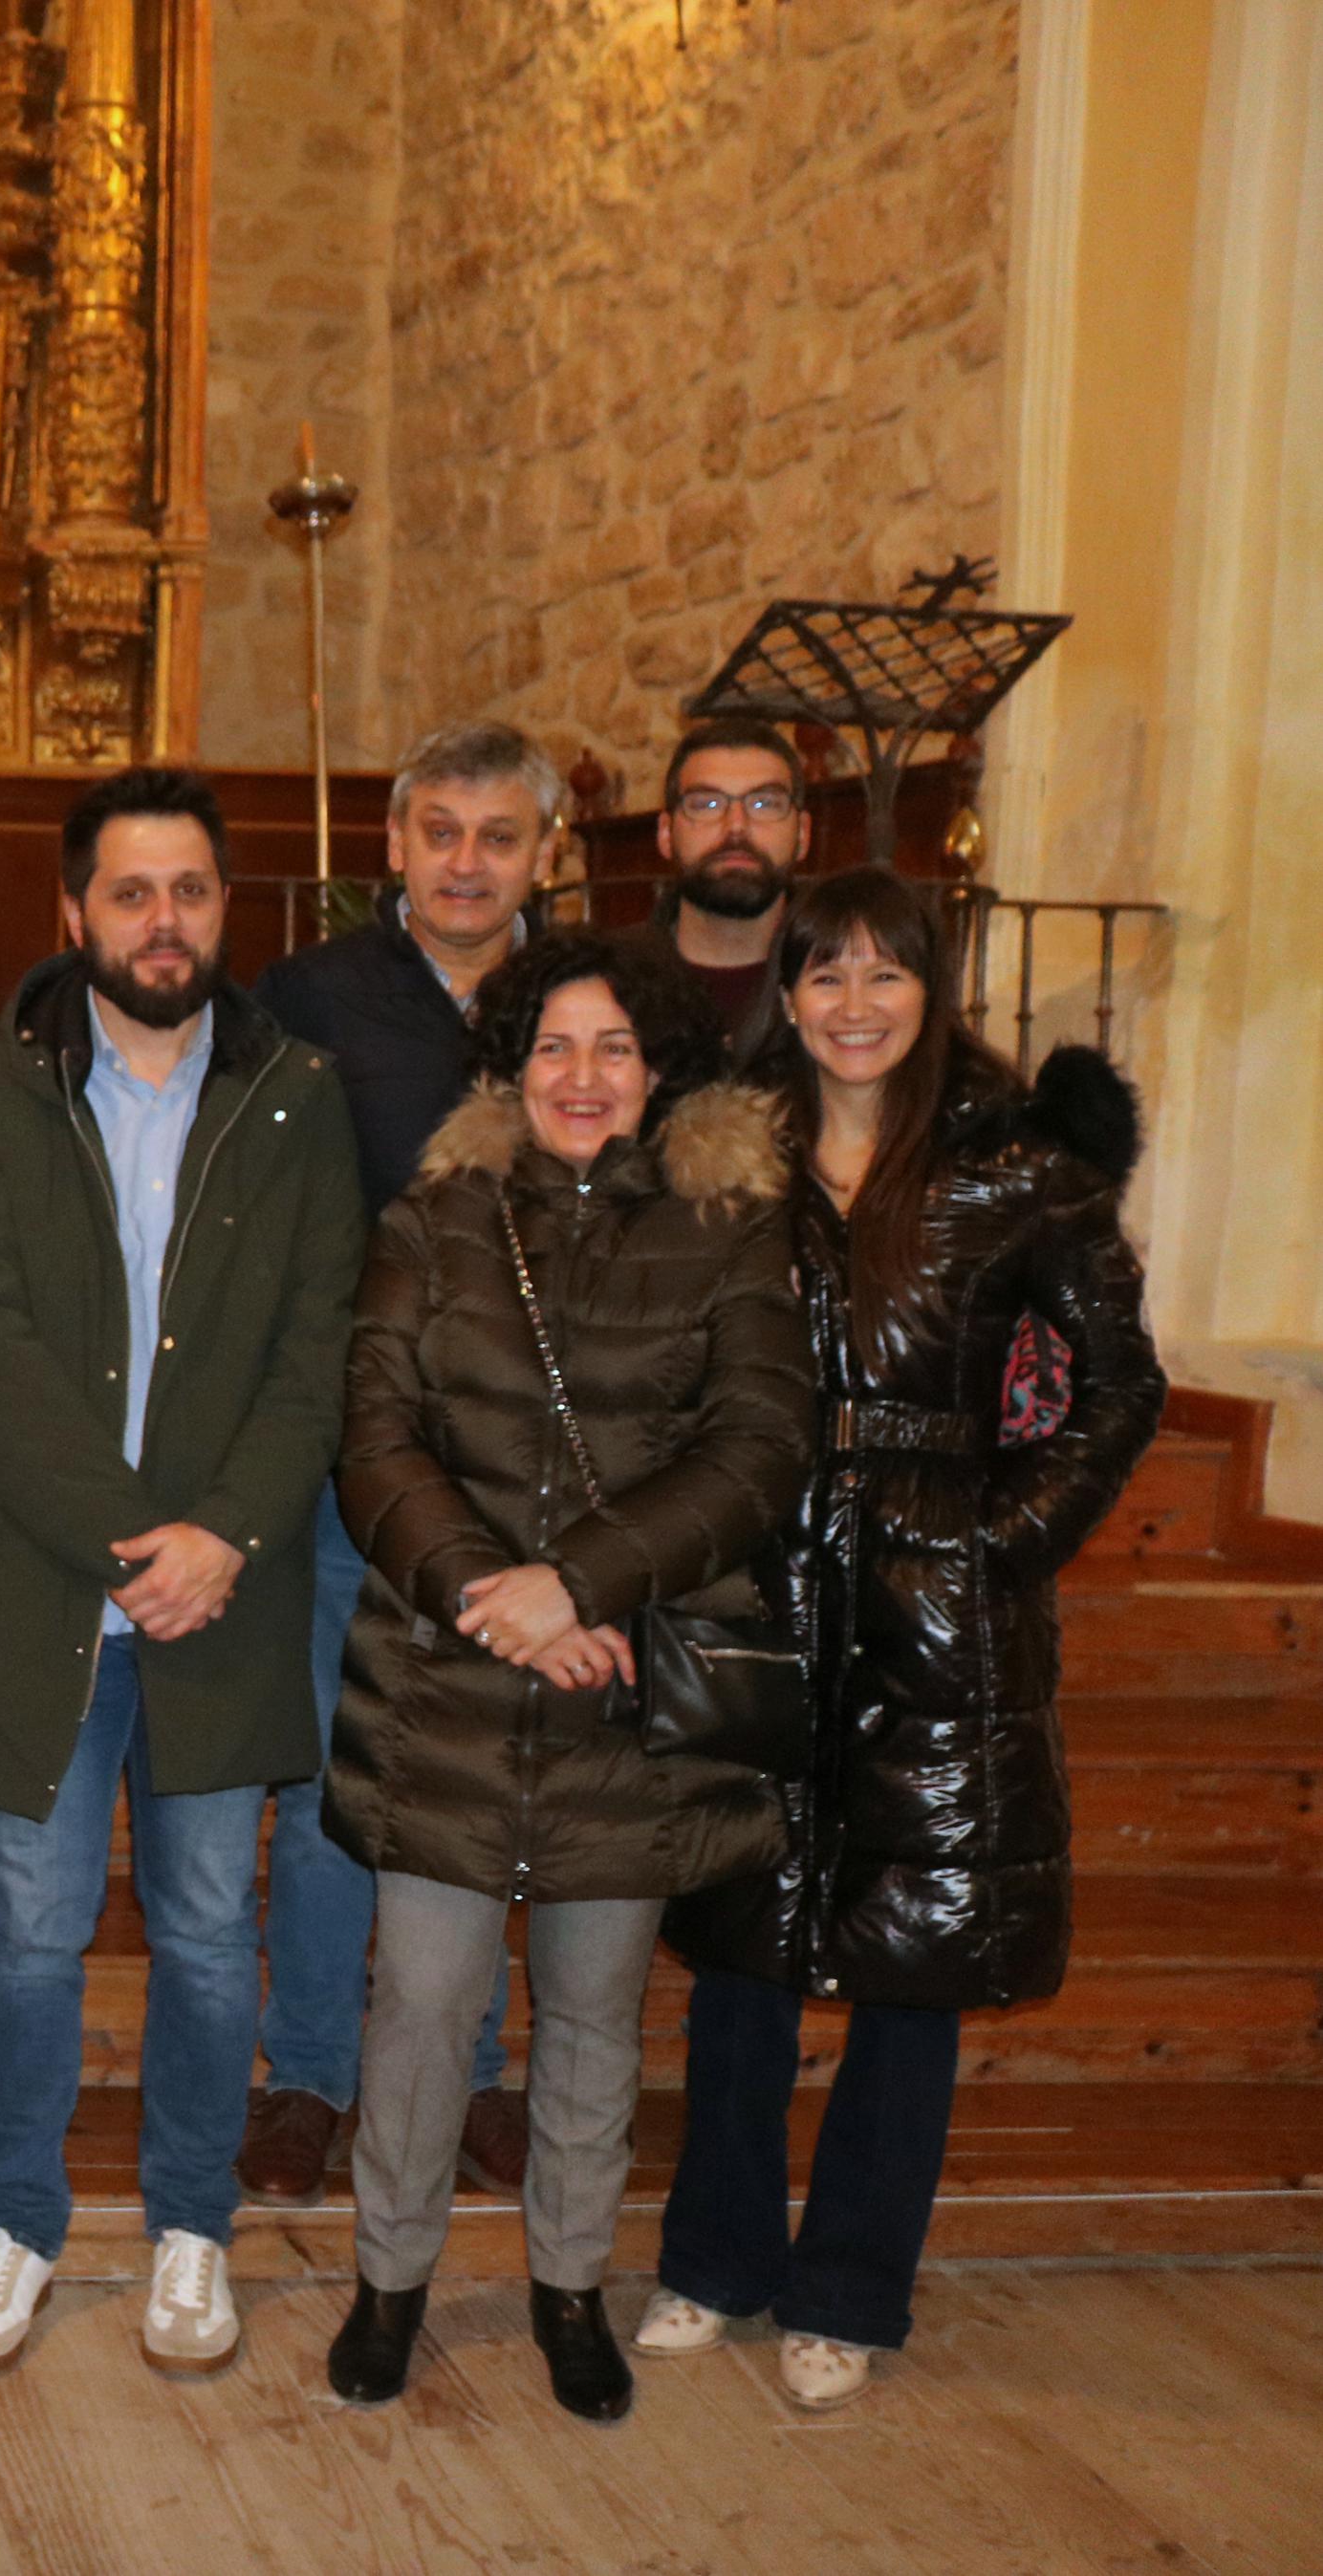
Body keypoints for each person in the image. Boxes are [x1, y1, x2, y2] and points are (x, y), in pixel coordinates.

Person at [649, 870, 1163, 2409]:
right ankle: (715, 2258)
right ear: (785, 992)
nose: (852, 1002)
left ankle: (851, 2289)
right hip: (759, 1582)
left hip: (938, 1604)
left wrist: (995, 1543)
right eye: (823, 973)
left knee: (909, 1956)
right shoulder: (724, 1152)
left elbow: (1115, 1382)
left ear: (929, 991)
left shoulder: (1016, 1168)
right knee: (743, 1942)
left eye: (884, 973)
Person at [315, 932, 809, 2426]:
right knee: (418, 1999)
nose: (579, 1076)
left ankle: (566, 2286)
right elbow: (373, 1436)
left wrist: (579, 1583)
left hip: (624, 1687)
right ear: (508, 1068)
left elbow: (759, 1446)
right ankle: (386, 2282)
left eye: (609, 1048)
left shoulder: (728, 1226)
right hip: (447, 1678)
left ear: (655, 1070)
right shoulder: (436, 1212)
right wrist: (488, 1591)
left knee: (595, 2011)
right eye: (549, 1047)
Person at [0, 768, 361, 2383]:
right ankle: (15, 2223)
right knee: (28, 1929)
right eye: (128, 892)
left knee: (197, 1927)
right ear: (73, 912)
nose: (158, 921)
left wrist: (222, 1537)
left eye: (186, 891)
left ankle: (189, 2225)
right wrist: (128, 1543)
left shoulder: (298, 1097)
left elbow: (314, 1357)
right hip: (54, 1587)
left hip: (220, 1596)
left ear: (220, 911)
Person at [241, 720, 553, 2208]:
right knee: (326, 1766)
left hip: (517, 1456)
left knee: (478, 1772)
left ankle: (473, 2068)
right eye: (441, 830)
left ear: (540, 855)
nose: (466, 861)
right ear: (394, 846)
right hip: (343, 1446)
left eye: (497, 835)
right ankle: (302, 2070)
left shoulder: (586, 1005)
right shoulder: (306, 999)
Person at [622, 715, 814, 1057]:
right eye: (707, 804)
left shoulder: (838, 988)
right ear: (666, 833)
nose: (736, 827)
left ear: (802, 834)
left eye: (764, 804)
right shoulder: (613, 982)